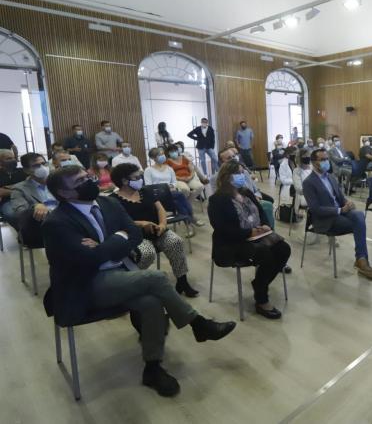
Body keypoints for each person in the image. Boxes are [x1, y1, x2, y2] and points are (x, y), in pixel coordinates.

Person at [42, 165, 235, 397]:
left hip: (120, 271)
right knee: (157, 277)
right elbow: (89, 259)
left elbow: (134, 235)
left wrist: (107, 245)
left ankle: (152, 368)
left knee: (151, 302)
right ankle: (198, 324)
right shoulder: (57, 222)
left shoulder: (108, 203)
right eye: (79, 182)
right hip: (85, 285)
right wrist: (117, 238)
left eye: (87, 177)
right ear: (64, 193)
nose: (89, 182)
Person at [208, 161, 291, 319]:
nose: (242, 176)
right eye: (238, 173)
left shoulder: (246, 192)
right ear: (227, 177)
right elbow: (222, 229)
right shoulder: (217, 200)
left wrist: (265, 225)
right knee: (265, 253)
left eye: (242, 172)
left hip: (257, 236)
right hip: (233, 243)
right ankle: (261, 299)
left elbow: (261, 212)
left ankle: (259, 283)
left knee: (283, 249)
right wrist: (248, 232)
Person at [110, 164, 199, 297]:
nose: (140, 179)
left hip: (157, 230)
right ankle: (136, 283)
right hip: (135, 235)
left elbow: (160, 209)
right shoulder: (113, 200)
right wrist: (141, 224)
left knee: (175, 242)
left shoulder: (145, 191)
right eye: (136, 177)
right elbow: (118, 222)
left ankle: (182, 281)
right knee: (147, 253)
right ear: (124, 181)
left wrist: (162, 224)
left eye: (140, 176)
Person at [303, 148, 372, 282]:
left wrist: (347, 202)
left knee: (359, 216)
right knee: (357, 224)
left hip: (340, 211)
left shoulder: (331, 177)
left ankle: (361, 260)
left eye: (327, 159)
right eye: (322, 160)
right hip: (326, 219)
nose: (326, 162)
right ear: (314, 162)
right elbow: (315, 209)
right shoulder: (308, 182)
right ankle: (362, 261)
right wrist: (340, 210)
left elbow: (340, 198)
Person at [144, 148, 201, 235]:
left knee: (177, 202)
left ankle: (189, 226)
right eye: (159, 155)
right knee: (180, 195)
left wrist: (171, 186)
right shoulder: (148, 170)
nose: (163, 156)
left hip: (171, 194)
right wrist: (165, 188)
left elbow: (174, 182)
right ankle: (192, 217)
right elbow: (148, 186)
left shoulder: (169, 168)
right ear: (153, 158)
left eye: (163, 154)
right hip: (157, 196)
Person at [10, 153, 57, 223]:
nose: (42, 167)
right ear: (26, 170)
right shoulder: (19, 188)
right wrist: (34, 207)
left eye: (44, 164)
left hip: (65, 218)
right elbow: (20, 212)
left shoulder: (58, 181)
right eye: (36, 166)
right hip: (42, 223)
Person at [0, 149, 25, 227]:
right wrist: (19, 188)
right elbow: (1, 192)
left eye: (13, 158)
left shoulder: (22, 171)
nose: (13, 160)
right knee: (12, 214)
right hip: (7, 201)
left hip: (25, 198)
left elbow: (29, 185)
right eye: (8, 158)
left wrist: (10, 188)